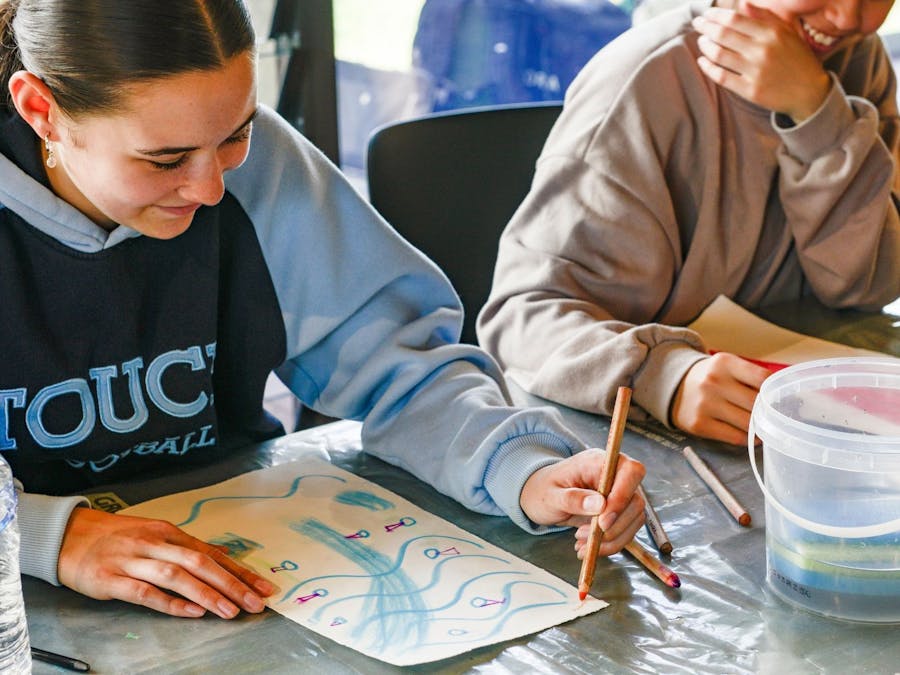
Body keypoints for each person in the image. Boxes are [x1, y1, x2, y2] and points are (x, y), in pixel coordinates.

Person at [0, 0, 645, 620]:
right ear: (42, 112)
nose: (211, 187)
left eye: (236, 134)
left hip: (254, 556)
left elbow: (402, 366)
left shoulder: (259, 172)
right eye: (165, 160)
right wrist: (50, 537)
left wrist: (521, 467)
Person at [478, 0, 900, 446]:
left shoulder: (858, 59)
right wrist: (665, 376)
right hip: (629, 448)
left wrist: (817, 112)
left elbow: (868, 286)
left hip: (794, 431)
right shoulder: (642, 83)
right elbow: (520, 317)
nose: (851, 18)